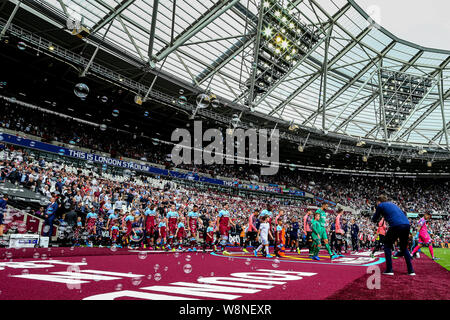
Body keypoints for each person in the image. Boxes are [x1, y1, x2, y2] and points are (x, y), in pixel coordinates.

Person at [372, 195, 415, 276]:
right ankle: (411, 270)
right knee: (403, 247)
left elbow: (374, 219)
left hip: (396, 225)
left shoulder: (380, 205)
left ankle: (389, 269)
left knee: (387, 245)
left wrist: (376, 212)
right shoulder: (392, 204)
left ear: (378, 202)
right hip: (406, 225)